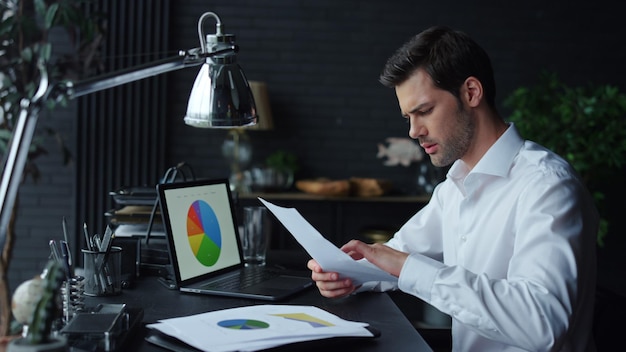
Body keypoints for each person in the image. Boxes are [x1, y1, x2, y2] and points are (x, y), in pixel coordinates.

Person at [307, 26, 598, 351]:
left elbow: (542, 323)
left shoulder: (547, 185)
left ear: (471, 92)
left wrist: (406, 266)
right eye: (408, 118)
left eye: (424, 111)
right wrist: (347, 274)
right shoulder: (454, 186)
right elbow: (396, 255)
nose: (415, 132)